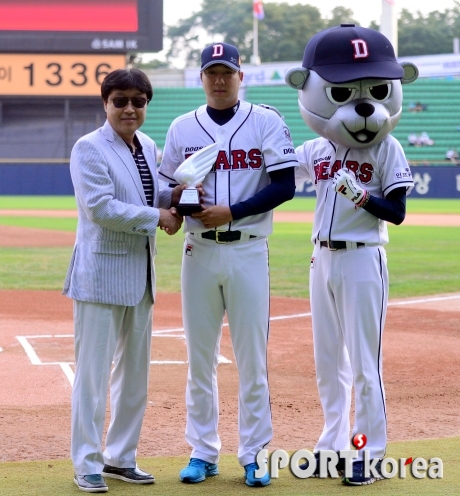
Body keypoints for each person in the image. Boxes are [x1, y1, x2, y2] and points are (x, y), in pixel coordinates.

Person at [158, 42, 298, 487]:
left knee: (251, 360)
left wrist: (232, 211)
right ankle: (203, 452)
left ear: (241, 76)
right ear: (201, 78)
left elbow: (285, 186)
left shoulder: (266, 121)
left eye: (227, 72)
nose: (219, 80)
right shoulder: (183, 127)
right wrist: (177, 208)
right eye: (211, 72)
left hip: (248, 249)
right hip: (199, 251)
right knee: (200, 359)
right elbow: (167, 190)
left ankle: (254, 453)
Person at [285, 24, 417, 485]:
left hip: (364, 258)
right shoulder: (317, 147)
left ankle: (371, 455)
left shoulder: (387, 146)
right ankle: (332, 447)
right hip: (321, 259)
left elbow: (397, 212)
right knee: (328, 363)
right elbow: (277, 162)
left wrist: (363, 198)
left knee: (364, 364)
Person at [63, 68, 183, 493]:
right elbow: (101, 208)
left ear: (147, 104)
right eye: (120, 101)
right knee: (93, 376)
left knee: (134, 376)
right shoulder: (88, 148)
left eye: (138, 101)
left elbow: (152, 194)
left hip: (141, 275)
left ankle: (120, 457)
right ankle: (86, 463)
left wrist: (182, 199)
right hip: (99, 276)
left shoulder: (147, 146)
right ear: (105, 103)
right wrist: (159, 217)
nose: (129, 108)